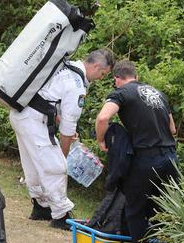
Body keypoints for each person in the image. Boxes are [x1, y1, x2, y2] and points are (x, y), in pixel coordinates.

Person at [10, 49, 114, 230]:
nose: (101, 78)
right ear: (96, 66)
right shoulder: (76, 84)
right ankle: (61, 215)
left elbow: (49, 98)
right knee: (56, 167)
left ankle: (40, 207)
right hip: (34, 121)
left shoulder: (65, 65)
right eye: (103, 74)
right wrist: (63, 155)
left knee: (32, 164)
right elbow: (68, 127)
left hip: (21, 114)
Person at [95, 60, 178, 243]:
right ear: (136, 76)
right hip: (170, 158)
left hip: (147, 159)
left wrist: (101, 140)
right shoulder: (158, 94)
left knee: (135, 209)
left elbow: (103, 117)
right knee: (159, 208)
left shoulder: (121, 93)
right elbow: (173, 129)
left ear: (117, 79)